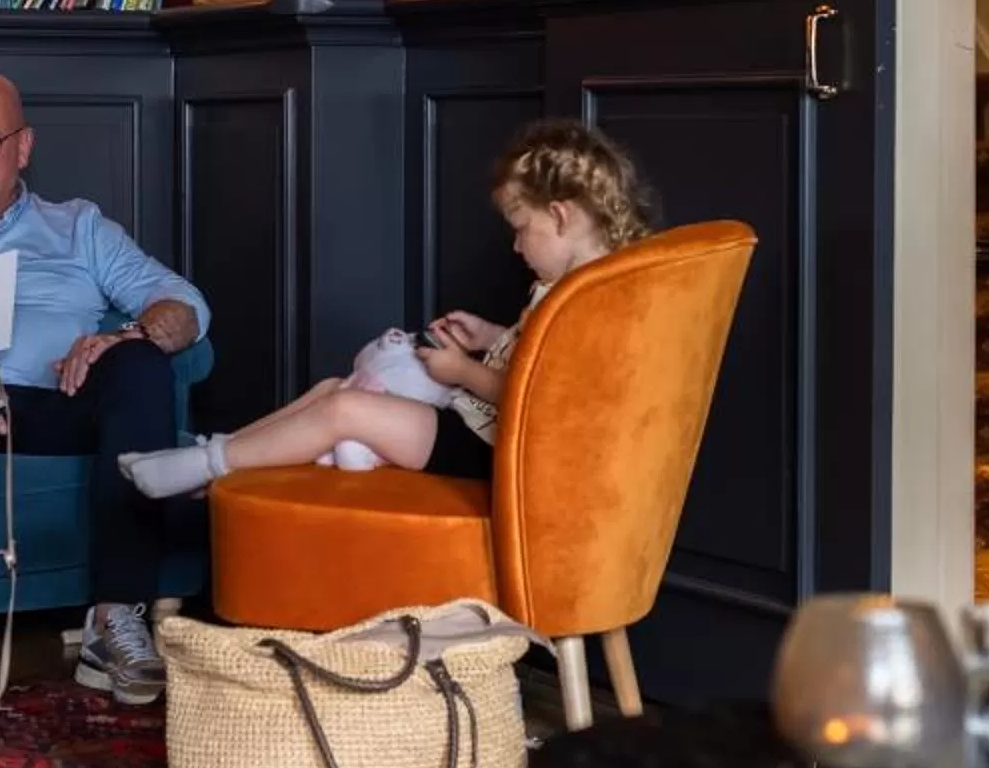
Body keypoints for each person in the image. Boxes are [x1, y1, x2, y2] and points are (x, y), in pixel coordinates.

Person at [0, 71, 210, 706]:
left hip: (54, 406)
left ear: (22, 147)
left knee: (140, 367)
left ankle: (113, 619)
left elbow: (184, 305)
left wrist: (129, 333)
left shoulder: (78, 228)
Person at [119, 119, 655, 495]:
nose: (515, 247)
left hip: (491, 454)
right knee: (335, 390)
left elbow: (540, 398)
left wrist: (463, 372)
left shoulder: (585, 302)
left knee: (345, 409)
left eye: (521, 231)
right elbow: (532, 354)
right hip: (476, 431)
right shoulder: (567, 282)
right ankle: (224, 451)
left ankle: (205, 465)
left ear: (560, 217)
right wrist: (491, 337)